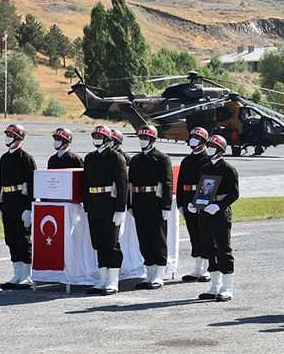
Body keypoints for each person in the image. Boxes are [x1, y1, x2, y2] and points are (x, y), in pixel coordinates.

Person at [187, 135, 240, 301]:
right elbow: (203, 190)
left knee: (223, 249)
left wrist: (218, 206)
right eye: (208, 145)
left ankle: (227, 286)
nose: (209, 148)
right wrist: (195, 204)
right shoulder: (205, 168)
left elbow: (234, 193)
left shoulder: (228, 169)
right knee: (209, 249)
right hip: (205, 213)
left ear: (221, 150)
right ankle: (215, 285)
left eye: (213, 146)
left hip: (220, 213)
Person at [82, 125, 128, 295]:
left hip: (110, 204)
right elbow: (85, 184)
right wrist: (86, 206)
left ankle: (113, 280)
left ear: (108, 139)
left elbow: (122, 185)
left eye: (100, 136)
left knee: (112, 244)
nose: (97, 138)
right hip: (94, 205)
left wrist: (120, 209)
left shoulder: (115, 158)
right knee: (99, 243)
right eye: (95, 135)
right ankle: (102, 279)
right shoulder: (89, 157)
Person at [129, 125, 173, 290]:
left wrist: (166, 206)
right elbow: (130, 184)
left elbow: (168, 183)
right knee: (144, 239)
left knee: (158, 239)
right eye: (141, 137)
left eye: (146, 138)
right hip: (140, 203)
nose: (142, 141)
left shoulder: (162, 158)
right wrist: (130, 204)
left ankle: (159, 275)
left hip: (155, 203)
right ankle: (149, 273)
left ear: (153, 140)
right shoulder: (136, 160)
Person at [0, 124, 37, 290]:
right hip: (8, 201)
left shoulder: (26, 158)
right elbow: (1, 184)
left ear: (18, 138)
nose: (7, 137)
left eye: (10, 134)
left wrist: (29, 208)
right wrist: (0, 205)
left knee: (24, 239)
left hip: (21, 203)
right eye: (6, 134)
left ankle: (26, 275)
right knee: (11, 239)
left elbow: (32, 184)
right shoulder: (4, 158)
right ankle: (17, 273)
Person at [177, 127, 212, 282]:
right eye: (192, 137)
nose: (193, 140)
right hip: (188, 200)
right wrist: (181, 204)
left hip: (202, 202)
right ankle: (197, 268)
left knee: (205, 235)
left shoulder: (207, 160)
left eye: (196, 138)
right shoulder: (186, 160)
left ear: (203, 141)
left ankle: (207, 268)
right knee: (194, 235)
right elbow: (180, 185)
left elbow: (208, 184)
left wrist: (200, 203)